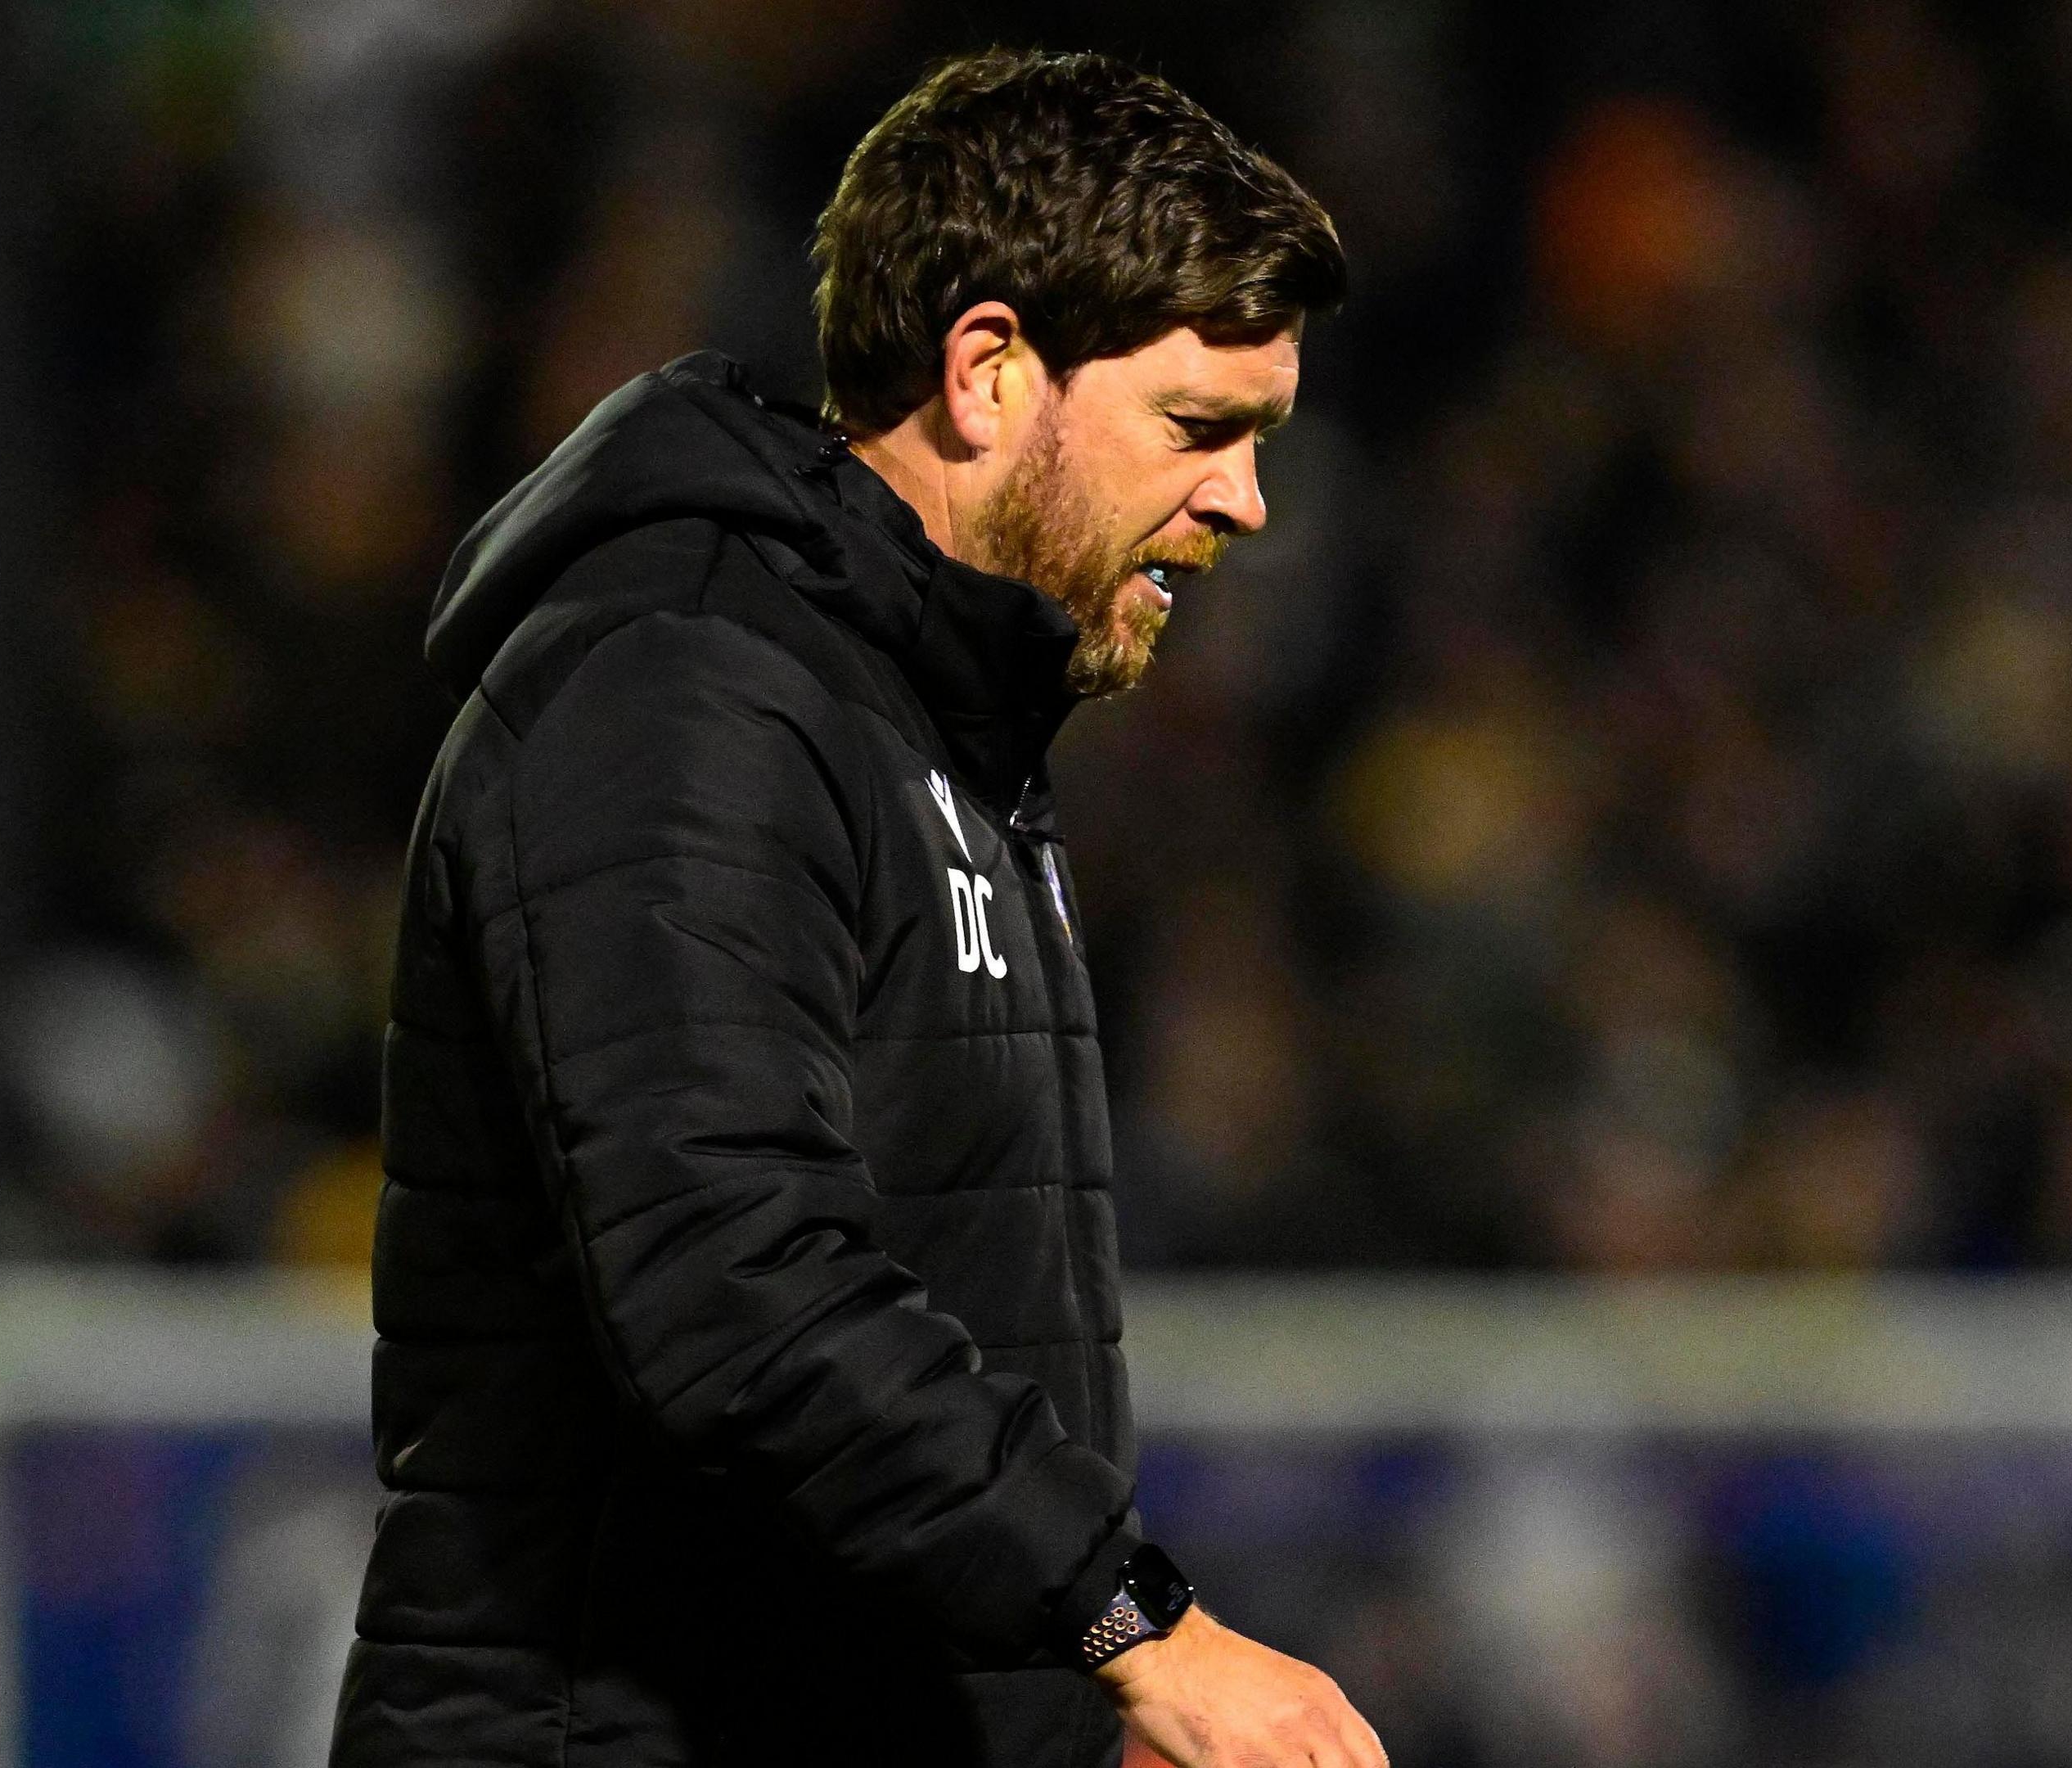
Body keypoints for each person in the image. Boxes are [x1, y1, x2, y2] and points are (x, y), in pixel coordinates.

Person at [332, 47, 1383, 1768]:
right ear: (986, 372)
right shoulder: (680, 690)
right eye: (1201, 429)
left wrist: (1052, 1704)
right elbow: (733, 1279)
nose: (1247, 503)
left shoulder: (936, 727)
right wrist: (1131, 1629)